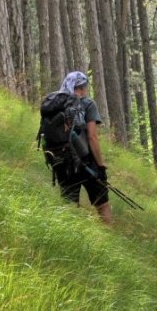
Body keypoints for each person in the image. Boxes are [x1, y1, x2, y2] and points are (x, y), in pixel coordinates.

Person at [38, 70, 112, 225]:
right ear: (82, 87)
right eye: (85, 86)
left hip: (60, 160)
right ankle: (111, 238)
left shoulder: (54, 104)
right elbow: (92, 137)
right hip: (85, 160)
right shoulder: (87, 103)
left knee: (70, 205)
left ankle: (70, 241)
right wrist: (100, 165)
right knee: (102, 204)